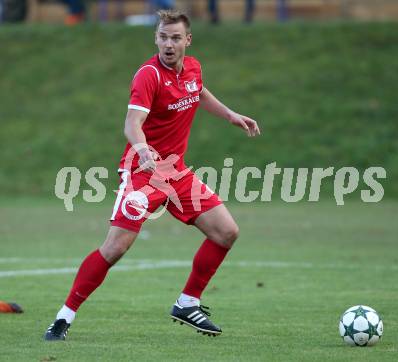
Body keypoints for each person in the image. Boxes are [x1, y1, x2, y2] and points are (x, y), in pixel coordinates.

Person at [44, 9, 260, 341]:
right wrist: (143, 148)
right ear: (155, 38)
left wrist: (229, 114)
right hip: (141, 174)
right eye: (163, 36)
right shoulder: (149, 75)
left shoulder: (192, 67)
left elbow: (197, 91)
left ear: (187, 40)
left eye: (175, 37)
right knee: (115, 248)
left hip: (176, 173)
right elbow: (132, 123)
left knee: (226, 232)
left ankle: (188, 303)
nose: (168, 44)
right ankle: (63, 316)